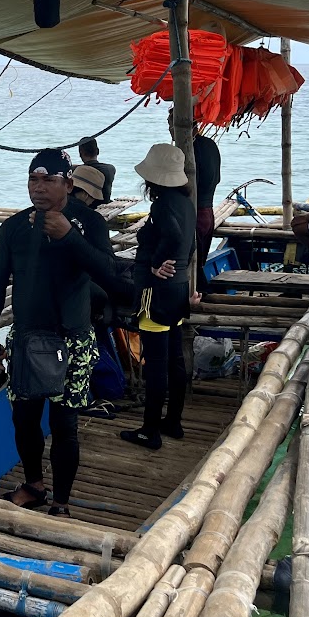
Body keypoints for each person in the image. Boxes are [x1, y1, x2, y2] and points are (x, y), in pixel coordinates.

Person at [0, 148, 112, 517]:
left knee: (64, 423)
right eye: (33, 180)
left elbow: (110, 273)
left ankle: (62, 502)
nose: (39, 188)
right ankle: (35, 485)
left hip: (72, 339)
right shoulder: (14, 227)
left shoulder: (89, 222)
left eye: (49, 180)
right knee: (23, 419)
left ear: (68, 184)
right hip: (25, 338)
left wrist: (70, 236)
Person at [119, 143, 197, 451]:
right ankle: (173, 421)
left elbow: (175, 238)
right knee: (175, 360)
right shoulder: (185, 203)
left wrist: (156, 262)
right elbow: (190, 244)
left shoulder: (163, 205)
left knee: (156, 365)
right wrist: (177, 266)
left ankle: (149, 430)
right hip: (176, 290)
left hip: (156, 293)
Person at [169, 111, 221, 290]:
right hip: (209, 212)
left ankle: (198, 300)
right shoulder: (211, 145)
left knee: (188, 266)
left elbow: (185, 186)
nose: (169, 130)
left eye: (171, 125)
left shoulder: (188, 152)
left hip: (194, 215)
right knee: (198, 266)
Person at [78, 137, 116, 204]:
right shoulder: (110, 169)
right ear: (98, 151)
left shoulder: (78, 172)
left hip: (90, 208)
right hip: (105, 203)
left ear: (80, 154)